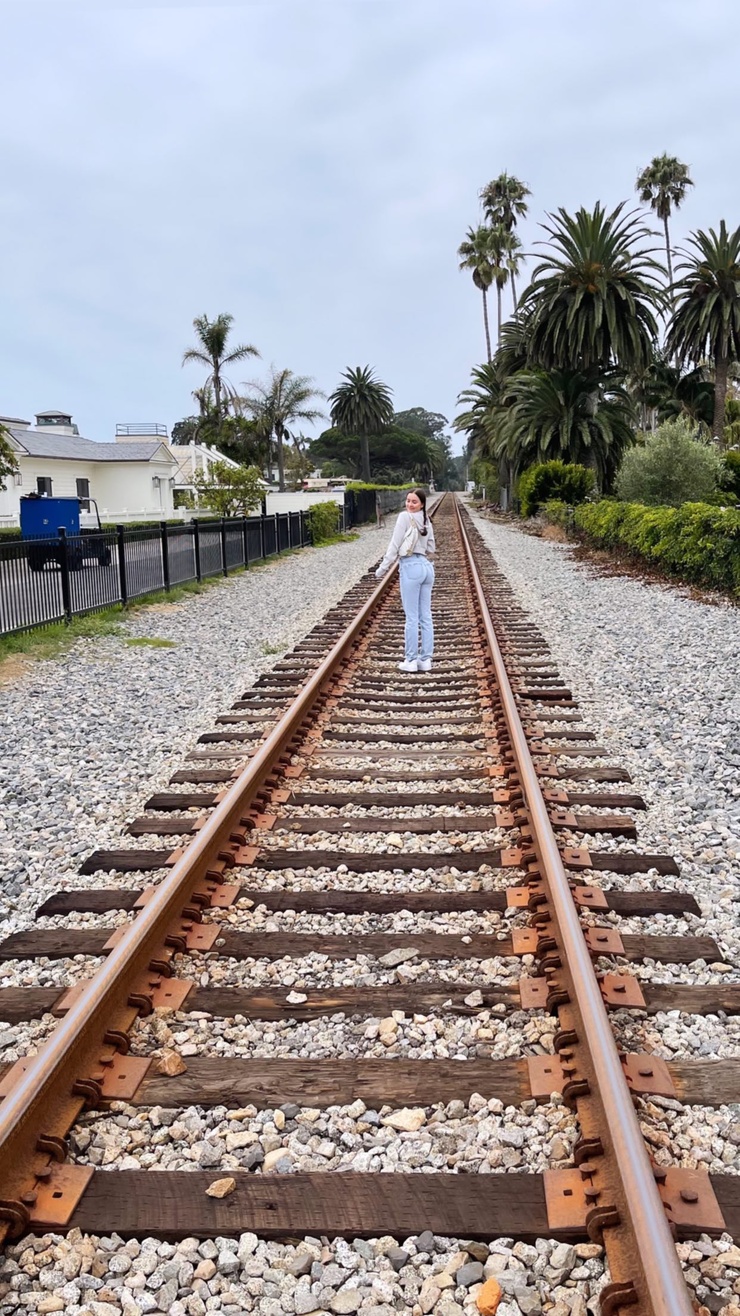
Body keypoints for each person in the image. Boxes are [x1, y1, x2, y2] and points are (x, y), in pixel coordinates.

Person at [375, 488, 436, 672]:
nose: (409, 504)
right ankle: (426, 660)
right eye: (408, 500)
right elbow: (431, 546)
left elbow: (394, 545)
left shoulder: (404, 517)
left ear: (422, 504)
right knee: (425, 616)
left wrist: (382, 568)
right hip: (427, 568)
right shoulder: (426, 520)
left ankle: (410, 660)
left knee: (411, 618)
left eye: (414, 501)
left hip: (411, 567)